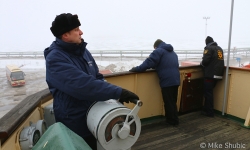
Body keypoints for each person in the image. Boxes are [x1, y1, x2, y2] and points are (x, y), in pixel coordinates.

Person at [44, 13, 139, 150]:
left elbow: (97, 77)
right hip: (74, 123)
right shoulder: (55, 59)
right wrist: (118, 92)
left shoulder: (83, 51)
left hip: (93, 116)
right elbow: (83, 85)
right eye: (76, 29)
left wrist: (113, 99)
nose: (81, 32)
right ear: (65, 35)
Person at [129, 39, 180, 126]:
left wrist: (137, 69)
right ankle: (175, 119)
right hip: (176, 79)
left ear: (156, 47)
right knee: (173, 101)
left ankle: (171, 121)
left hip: (167, 81)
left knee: (168, 101)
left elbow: (149, 62)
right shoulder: (173, 53)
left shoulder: (158, 51)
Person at [200, 36, 224, 117]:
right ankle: (206, 109)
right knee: (209, 92)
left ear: (206, 42)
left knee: (208, 93)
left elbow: (205, 61)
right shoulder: (219, 48)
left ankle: (209, 112)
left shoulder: (209, 48)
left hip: (210, 75)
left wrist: (201, 64)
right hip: (218, 75)